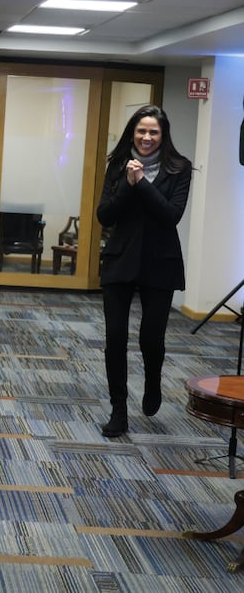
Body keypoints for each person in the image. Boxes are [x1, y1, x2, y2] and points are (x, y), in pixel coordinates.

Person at [97, 105, 192, 438]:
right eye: (141, 131)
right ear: (132, 133)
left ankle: (153, 380)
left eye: (153, 132)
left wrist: (142, 184)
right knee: (115, 339)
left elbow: (171, 215)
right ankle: (118, 410)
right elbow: (105, 215)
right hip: (120, 260)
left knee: (151, 339)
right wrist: (127, 182)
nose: (147, 137)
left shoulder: (180, 168)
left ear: (163, 135)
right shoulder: (118, 165)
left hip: (160, 262)